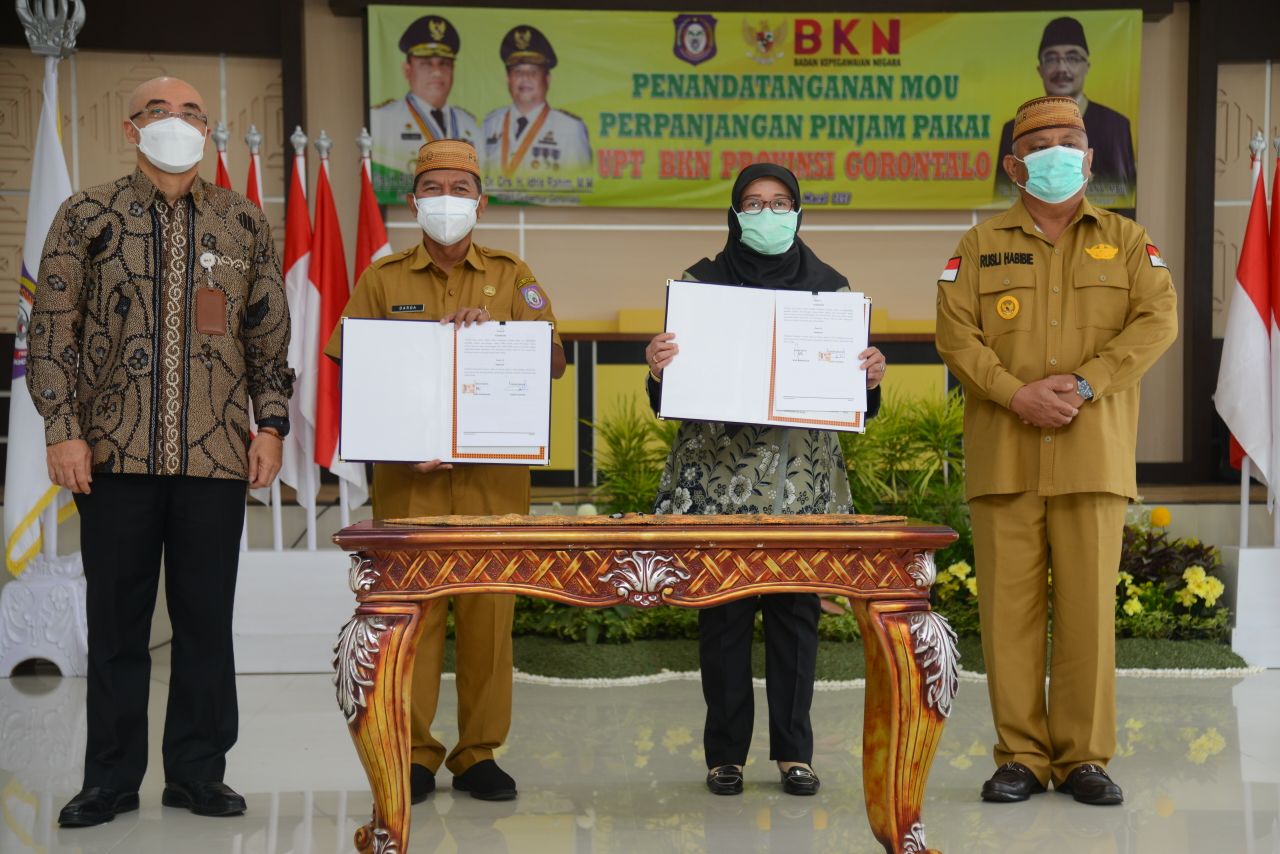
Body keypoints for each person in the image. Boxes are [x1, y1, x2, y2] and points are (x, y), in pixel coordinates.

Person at [30, 76, 294, 827]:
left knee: (207, 623)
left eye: (190, 113)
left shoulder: (242, 222)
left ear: (209, 131)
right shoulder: (86, 214)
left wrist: (269, 424)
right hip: (111, 456)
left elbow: (266, 335)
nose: (174, 123)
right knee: (117, 626)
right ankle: (109, 779)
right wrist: (62, 428)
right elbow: (51, 332)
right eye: (158, 112)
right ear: (129, 127)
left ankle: (199, 772)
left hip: (216, 458)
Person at [935, 96, 1177, 807]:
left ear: (1092, 157)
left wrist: (1084, 382)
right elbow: (956, 336)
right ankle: (1020, 757)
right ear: (1015, 164)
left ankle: (1083, 760)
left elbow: (1156, 321)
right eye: (1041, 144)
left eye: (1072, 140)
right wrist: (1017, 395)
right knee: (1007, 619)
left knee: (1087, 616)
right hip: (1005, 457)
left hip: (1092, 455)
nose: (1059, 152)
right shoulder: (978, 247)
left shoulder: (1130, 243)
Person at [324, 138, 566, 802]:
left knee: (489, 614)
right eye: (434, 188)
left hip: (492, 480)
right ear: (413, 200)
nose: (447, 200)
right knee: (417, 615)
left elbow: (552, 361)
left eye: (461, 189)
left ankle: (478, 753)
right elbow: (354, 368)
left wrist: (496, 338)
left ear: (481, 201)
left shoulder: (514, 275)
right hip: (411, 478)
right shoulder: (383, 278)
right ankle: (418, 753)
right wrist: (395, 436)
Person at [643, 163, 886, 797]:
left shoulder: (831, 291)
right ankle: (724, 755)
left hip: (799, 485)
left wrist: (867, 376)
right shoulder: (700, 287)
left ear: (800, 213)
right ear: (733, 214)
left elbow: (853, 401)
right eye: (753, 203)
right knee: (721, 615)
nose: (768, 214)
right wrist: (659, 368)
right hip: (718, 483)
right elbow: (669, 395)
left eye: (780, 203)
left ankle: (794, 754)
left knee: (794, 613)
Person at [994, 17, 1136, 208]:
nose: (1062, 68)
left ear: (1087, 66)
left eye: (1073, 58)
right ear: (1040, 69)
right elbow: (1004, 200)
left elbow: (1125, 196)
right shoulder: (1014, 129)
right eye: (1051, 59)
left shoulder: (1115, 125)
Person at [369, 14, 481, 199]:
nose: (436, 72)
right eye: (426, 63)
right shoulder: (382, 119)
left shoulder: (470, 125)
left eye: (444, 63)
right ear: (408, 70)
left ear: (453, 70)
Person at [482, 25, 592, 183]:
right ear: (508, 79)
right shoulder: (490, 124)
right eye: (518, 71)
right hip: (496, 208)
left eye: (533, 71)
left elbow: (584, 190)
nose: (525, 78)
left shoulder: (570, 129)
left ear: (547, 79)